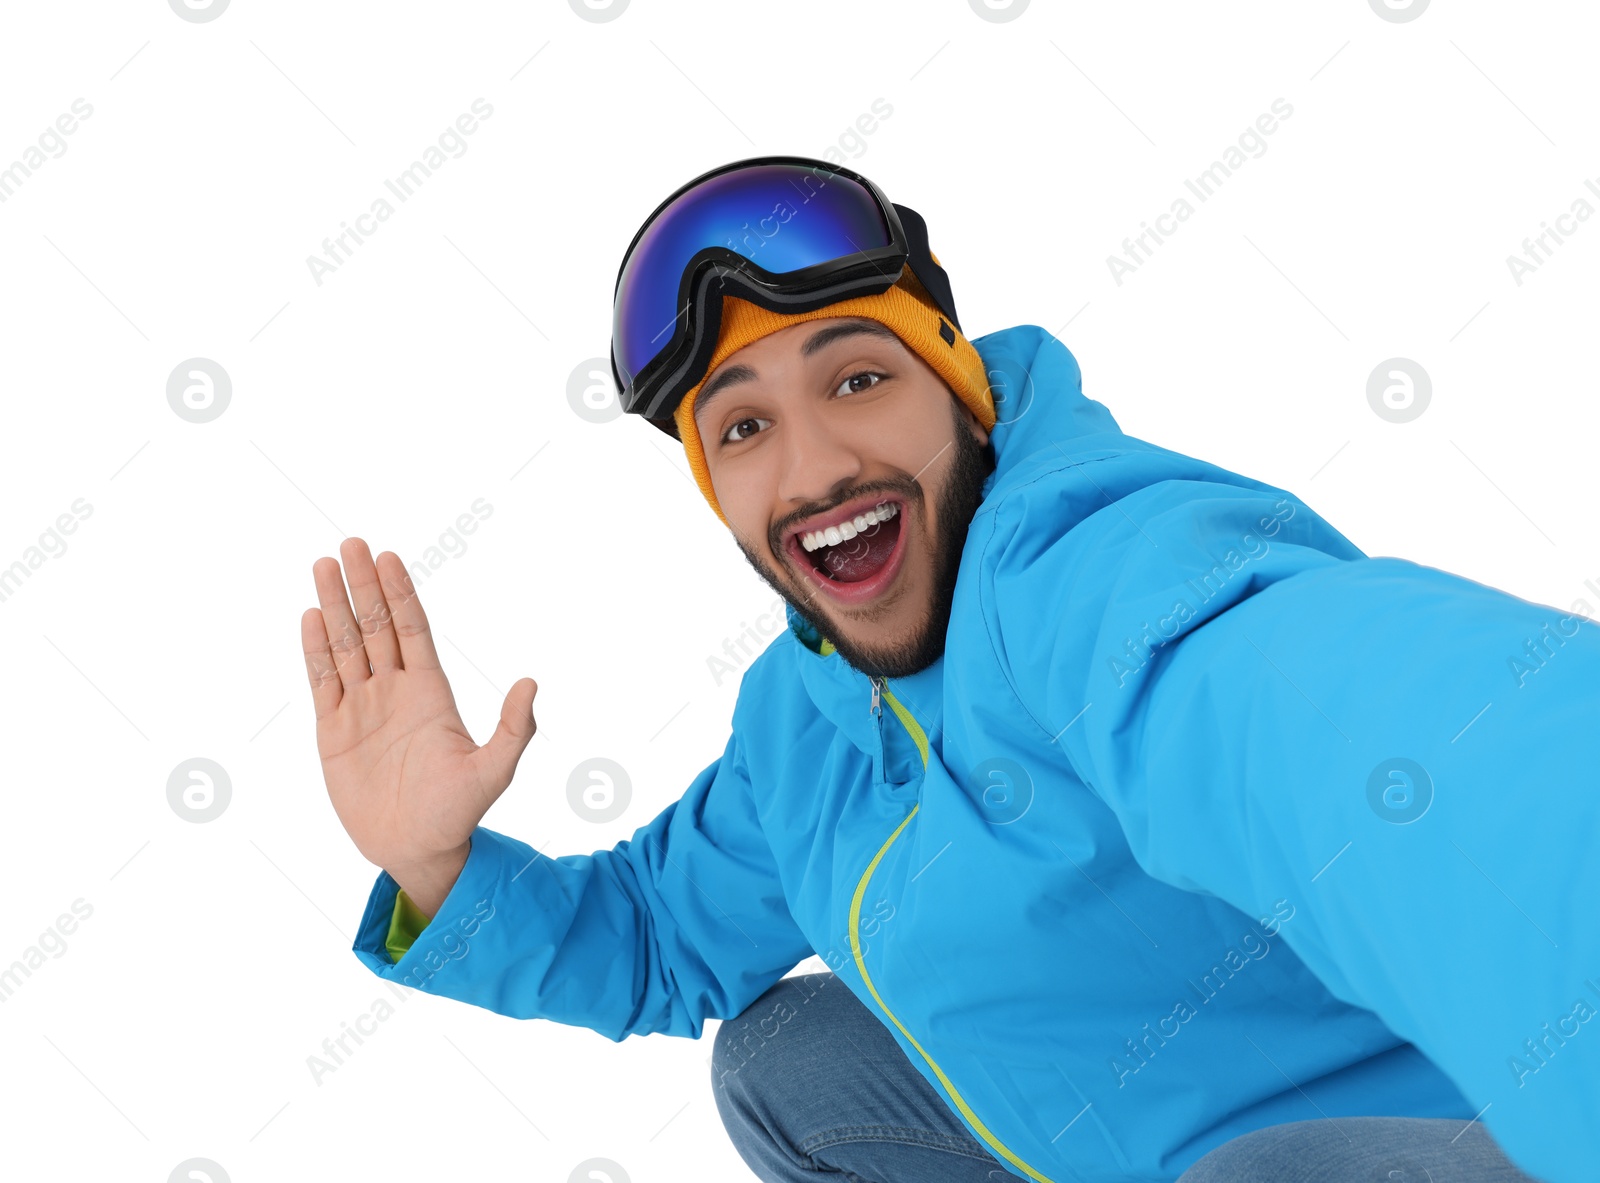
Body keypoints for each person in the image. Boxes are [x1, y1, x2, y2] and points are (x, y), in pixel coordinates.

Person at [303, 155, 1598, 1182]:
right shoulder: (802, 719)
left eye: (858, 379)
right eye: (744, 427)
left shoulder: (1098, 577)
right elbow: (657, 938)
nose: (812, 469)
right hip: (1103, 1151)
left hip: (1442, 1144)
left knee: (1276, 1172)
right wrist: (437, 866)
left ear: (961, 388)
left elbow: (1376, 732)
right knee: (783, 1064)